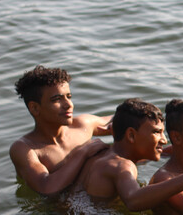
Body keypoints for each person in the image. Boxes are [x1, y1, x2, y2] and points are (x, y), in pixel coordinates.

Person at [74, 98, 183, 211]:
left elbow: (166, 153)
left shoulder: (105, 155)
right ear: (131, 135)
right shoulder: (122, 165)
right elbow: (133, 200)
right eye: (156, 132)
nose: (164, 139)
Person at [10, 66, 112, 195]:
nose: (69, 104)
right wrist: (83, 152)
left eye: (69, 96)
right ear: (35, 108)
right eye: (57, 99)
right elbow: (45, 187)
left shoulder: (82, 125)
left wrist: (120, 126)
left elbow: (122, 118)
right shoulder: (25, 149)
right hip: (61, 211)